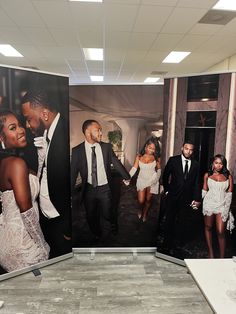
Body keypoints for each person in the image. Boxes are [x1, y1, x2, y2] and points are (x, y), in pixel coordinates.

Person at [21, 89, 71, 258]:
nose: (27, 125)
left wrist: (67, 225)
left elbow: (69, 182)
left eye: (29, 119)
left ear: (44, 113)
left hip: (60, 221)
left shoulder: (65, 135)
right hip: (47, 217)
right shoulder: (46, 132)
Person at [0, 110, 49, 272]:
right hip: (23, 243)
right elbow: (26, 211)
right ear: (1, 138)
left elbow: (36, 182)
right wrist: (42, 245)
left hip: (8, 239)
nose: (21, 130)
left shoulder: (6, 163)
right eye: (13, 128)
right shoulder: (16, 164)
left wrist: (42, 157)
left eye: (20, 125)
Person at [71, 119, 130, 241]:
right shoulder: (77, 151)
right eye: (98, 130)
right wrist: (69, 194)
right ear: (88, 132)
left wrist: (127, 176)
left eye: (101, 131)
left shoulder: (106, 147)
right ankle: (96, 233)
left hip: (105, 188)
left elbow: (116, 162)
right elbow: (72, 174)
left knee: (108, 213)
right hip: (88, 189)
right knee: (90, 215)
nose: (101, 133)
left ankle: (111, 230)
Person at [161, 140, 201, 252]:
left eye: (191, 149)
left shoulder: (196, 164)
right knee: (170, 219)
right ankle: (167, 243)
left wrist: (196, 198)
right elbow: (165, 176)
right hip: (173, 196)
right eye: (186, 148)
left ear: (193, 151)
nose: (188, 151)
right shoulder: (173, 160)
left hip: (187, 198)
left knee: (183, 221)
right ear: (182, 148)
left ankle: (179, 243)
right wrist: (167, 190)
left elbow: (197, 182)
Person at [202, 154, 234, 258]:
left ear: (223, 165)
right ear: (213, 163)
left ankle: (222, 257)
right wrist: (201, 203)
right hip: (209, 204)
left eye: (221, 163)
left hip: (222, 205)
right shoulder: (207, 175)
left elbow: (229, 194)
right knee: (208, 227)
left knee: (221, 231)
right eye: (216, 163)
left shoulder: (228, 176)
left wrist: (227, 209)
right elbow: (204, 191)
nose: (218, 165)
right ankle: (210, 253)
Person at [128, 137, 161, 222]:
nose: (151, 150)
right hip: (141, 180)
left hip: (152, 180)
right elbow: (134, 168)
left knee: (148, 200)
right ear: (146, 146)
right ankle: (140, 209)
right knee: (141, 200)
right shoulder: (139, 156)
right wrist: (127, 177)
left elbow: (159, 170)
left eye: (153, 149)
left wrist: (156, 179)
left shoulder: (156, 158)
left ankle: (145, 213)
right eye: (150, 148)